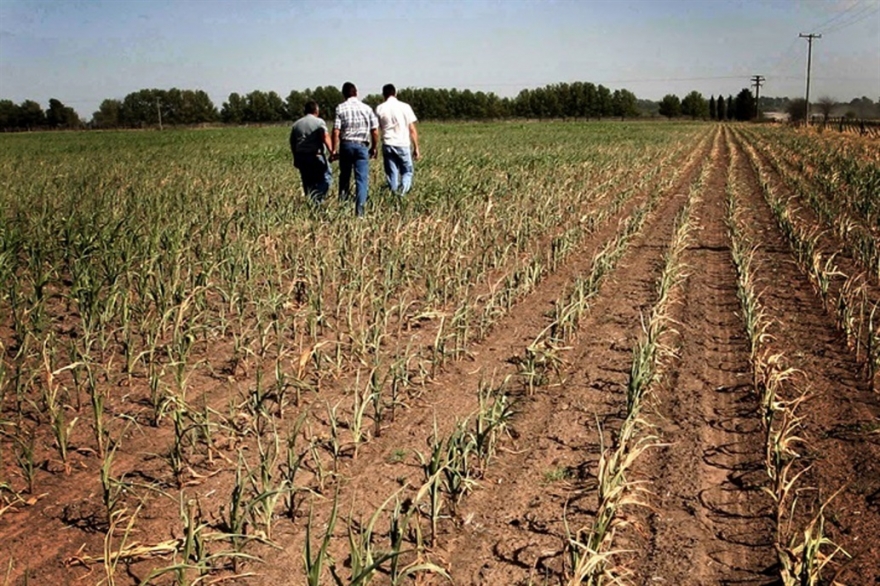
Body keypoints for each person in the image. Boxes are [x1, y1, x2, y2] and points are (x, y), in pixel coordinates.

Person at [331, 82, 379, 217]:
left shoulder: (340, 108)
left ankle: (343, 209)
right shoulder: (367, 108)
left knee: (344, 177)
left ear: (343, 94)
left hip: (346, 145)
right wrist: (374, 147)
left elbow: (336, 131)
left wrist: (333, 151)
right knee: (361, 180)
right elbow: (375, 131)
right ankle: (360, 213)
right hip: (362, 146)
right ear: (356, 92)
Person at [376, 84, 420, 196]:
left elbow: (376, 129)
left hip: (387, 143)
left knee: (392, 174)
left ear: (383, 95)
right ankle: (401, 194)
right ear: (396, 93)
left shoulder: (380, 108)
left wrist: (374, 147)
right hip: (403, 144)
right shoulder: (405, 107)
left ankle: (394, 194)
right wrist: (416, 148)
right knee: (407, 172)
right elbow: (412, 129)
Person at [289, 100, 333, 204]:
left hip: (301, 157)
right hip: (315, 156)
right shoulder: (319, 122)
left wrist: (295, 158)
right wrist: (332, 151)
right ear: (316, 111)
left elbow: (293, 143)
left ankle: (311, 203)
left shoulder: (296, 124)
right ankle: (317, 200)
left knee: (308, 182)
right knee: (326, 178)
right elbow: (325, 136)